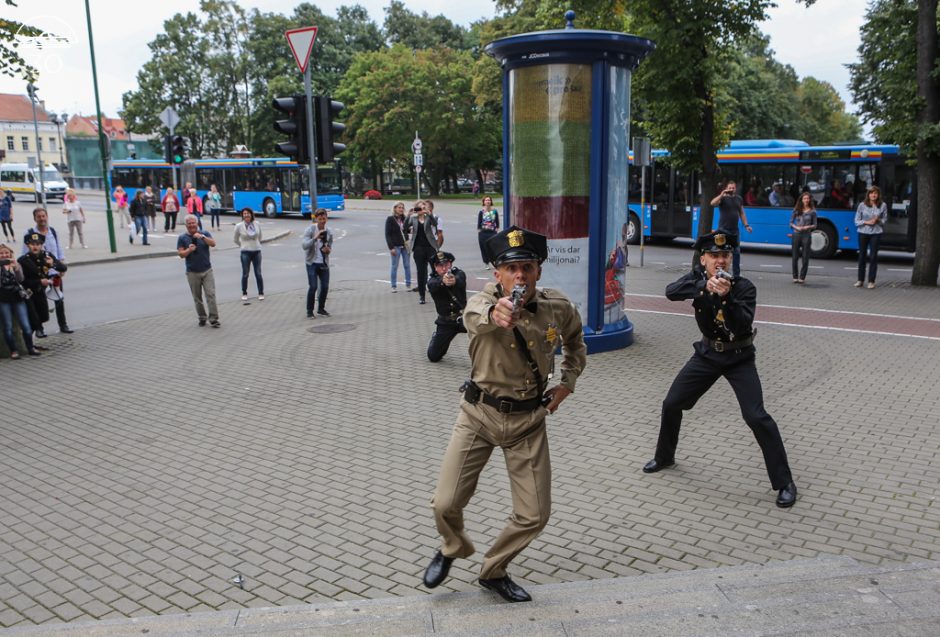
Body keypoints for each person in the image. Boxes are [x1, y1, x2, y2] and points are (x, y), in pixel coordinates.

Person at [423, 226, 587, 603]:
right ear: (496, 274)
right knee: (445, 504)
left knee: (535, 515)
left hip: (528, 422)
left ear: (538, 271)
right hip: (478, 416)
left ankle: (493, 570)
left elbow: (576, 343)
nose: (520, 276)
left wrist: (567, 383)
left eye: (527, 267)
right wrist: (496, 314)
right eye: (511, 269)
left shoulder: (556, 308)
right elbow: (473, 317)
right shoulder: (482, 304)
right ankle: (453, 547)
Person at [641, 231, 798, 509]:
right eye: (714, 256)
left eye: (725, 255)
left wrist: (725, 298)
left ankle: (784, 482)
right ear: (703, 259)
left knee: (756, 416)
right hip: (708, 354)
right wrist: (704, 288)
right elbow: (670, 292)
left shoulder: (744, 287)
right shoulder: (696, 281)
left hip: (739, 356)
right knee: (672, 403)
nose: (720, 260)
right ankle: (665, 456)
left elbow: (740, 324)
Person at [21, 207, 72, 335]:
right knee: (38, 303)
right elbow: (24, 256)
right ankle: (39, 328)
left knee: (59, 299)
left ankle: (63, 325)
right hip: (38, 276)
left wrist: (60, 265)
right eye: (39, 217)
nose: (42, 219)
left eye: (44, 216)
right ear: (35, 218)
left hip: (54, 273)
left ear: (47, 217)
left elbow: (59, 249)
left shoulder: (52, 231)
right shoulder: (30, 233)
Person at [18, 231, 68, 339]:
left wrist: (53, 264)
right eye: (32, 244)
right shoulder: (23, 260)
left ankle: (33, 334)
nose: (35, 247)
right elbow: (22, 281)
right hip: (30, 291)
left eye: (38, 244)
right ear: (27, 245)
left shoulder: (47, 256)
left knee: (44, 315)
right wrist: (39, 282)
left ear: (42, 245)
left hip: (41, 290)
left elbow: (63, 268)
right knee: (33, 315)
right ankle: (35, 332)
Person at [177, 214, 219, 327]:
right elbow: (181, 254)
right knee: (197, 298)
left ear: (197, 223)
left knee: (211, 294)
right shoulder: (182, 238)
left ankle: (214, 319)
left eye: (193, 223)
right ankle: (202, 317)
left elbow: (213, 244)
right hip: (192, 272)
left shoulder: (204, 233)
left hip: (207, 270)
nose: (191, 225)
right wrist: (189, 250)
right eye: (189, 223)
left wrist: (202, 237)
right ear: (186, 225)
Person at [0, 243, 40, 358]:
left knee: (26, 325)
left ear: (10, 253)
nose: (4, 255)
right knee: (8, 326)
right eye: (1, 253)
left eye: (6, 253)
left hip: (17, 297)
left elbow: (21, 279)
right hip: (3, 298)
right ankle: (13, 351)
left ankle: (30, 347)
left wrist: (16, 268)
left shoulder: (16, 264)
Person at [426, 251, 467, 362]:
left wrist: (454, 280)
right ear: (435, 267)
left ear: (450, 264)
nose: (444, 268)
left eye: (446, 264)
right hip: (446, 322)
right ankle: (436, 339)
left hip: (464, 318)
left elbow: (461, 279)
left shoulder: (458, 273)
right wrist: (443, 281)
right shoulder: (433, 281)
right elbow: (433, 285)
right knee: (433, 356)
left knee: (483, 332)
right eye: (440, 266)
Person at [709, 179, 752, 277]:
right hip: (723, 230)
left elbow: (742, 213)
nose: (731, 189)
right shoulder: (723, 198)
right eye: (729, 188)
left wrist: (746, 225)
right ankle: (720, 272)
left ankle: (736, 275)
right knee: (722, 252)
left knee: (736, 253)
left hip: (734, 231)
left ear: (735, 188)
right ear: (726, 188)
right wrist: (722, 194)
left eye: (733, 188)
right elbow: (712, 203)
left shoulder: (739, 199)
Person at [407, 202, 441, 304]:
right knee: (421, 272)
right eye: (419, 207)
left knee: (436, 270)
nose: (420, 209)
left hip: (430, 247)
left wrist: (429, 213)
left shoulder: (428, 217)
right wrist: (408, 215)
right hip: (418, 248)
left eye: (422, 207)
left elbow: (435, 224)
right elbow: (405, 227)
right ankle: (422, 296)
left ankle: (438, 291)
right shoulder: (413, 219)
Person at [854, 186, 887, 289]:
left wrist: (878, 220)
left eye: (875, 193)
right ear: (868, 194)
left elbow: (885, 220)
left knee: (873, 257)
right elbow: (856, 221)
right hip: (863, 232)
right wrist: (866, 222)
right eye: (871, 193)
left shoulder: (883, 205)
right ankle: (860, 280)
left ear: (878, 195)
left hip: (876, 233)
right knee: (862, 256)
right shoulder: (862, 205)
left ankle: (871, 281)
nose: (873, 195)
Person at [302, 208, 333, 318]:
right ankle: (309, 311)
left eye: (324, 219)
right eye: (320, 219)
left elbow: (330, 247)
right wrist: (315, 238)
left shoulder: (329, 232)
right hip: (312, 263)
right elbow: (304, 245)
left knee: (324, 287)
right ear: (316, 219)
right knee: (313, 286)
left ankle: (321, 308)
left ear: (326, 219)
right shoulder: (310, 230)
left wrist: (328, 250)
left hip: (323, 263)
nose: (322, 221)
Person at [233, 207, 264, 301]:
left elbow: (260, 236)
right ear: (242, 215)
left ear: (251, 214)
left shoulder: (256, 224)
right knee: (245, 274)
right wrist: (242, 245)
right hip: (245, 252)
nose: (246, 215)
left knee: (258, 273)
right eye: (244, 214)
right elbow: (235, 239)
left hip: (256, 251)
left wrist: (256, 243)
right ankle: (244, 292)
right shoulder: (239, 226)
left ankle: (261, 292)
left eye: (248, 213)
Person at [789, 192, 817, 284]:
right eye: (805, 198)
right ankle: (795, 276)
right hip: (796, 234)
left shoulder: (813, 211)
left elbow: (815, 225)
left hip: (806, 235)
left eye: (808, 199)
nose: (806, 200)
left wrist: (807, 227)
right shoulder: (796, 210)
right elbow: (791, 223)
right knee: (795, 257)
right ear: (801, 200)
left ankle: (802, 277)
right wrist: (796, 227)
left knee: (805, 257)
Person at [384, 201, 411, 293]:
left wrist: (410, 216)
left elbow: (408, 230)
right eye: (399, 207)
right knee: (394, 266)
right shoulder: (390, 219)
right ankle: (393, 286)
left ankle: (408, 284)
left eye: (402, 208)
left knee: (407, 265)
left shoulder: (405, 219)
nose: (401, 209)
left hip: (405, 245)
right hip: (395, 246)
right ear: (395, 208)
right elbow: (387, 234)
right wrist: (391, 247)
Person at [477, 196, 500, 268]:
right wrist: (479, 231)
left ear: (491, 201)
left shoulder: (495, 211)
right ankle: (486, 262)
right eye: (486, 200)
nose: (487, 201)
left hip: (492, 232)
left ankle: (494, 261)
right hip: (483, 232)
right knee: (484, 248)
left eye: (489, 200)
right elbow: (479, 222)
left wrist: (497, 228)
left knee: (493, 247)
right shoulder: (481, 212)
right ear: (484, 202)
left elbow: (497, 221)